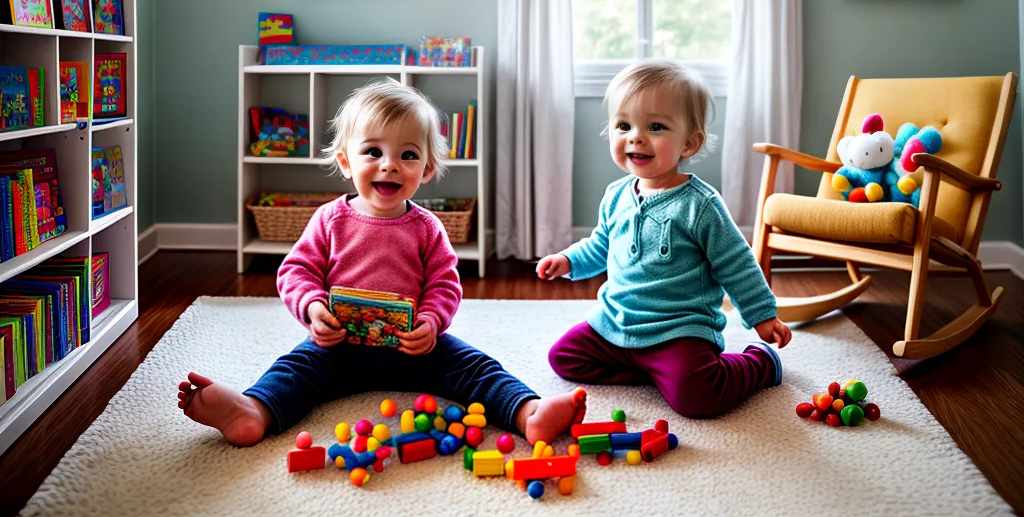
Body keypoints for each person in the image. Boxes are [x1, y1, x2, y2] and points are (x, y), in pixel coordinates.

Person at [178, 78, 586, 445]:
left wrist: (430, 323)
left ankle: (527, 413)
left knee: (475, 367)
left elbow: (444, 284)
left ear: (426, 169)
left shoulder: (427, 227)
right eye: (373, 151)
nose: (389, 164)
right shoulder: (330, 219)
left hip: (415, 348)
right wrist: (314, 309)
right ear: (345, 162)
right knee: (295, 370)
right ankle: (253, 411)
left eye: (407, 155)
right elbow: (296, 272)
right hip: (338, 346)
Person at [538, 59, 791, 418]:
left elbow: (736, 263)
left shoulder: (700, 205)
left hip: (679, 330)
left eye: (655, 126)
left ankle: (758, 364)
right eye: (623, 125)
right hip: (618, 322)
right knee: (564, 357)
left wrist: (762, 315)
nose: (636, 137)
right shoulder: (616, 194)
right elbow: (600, 244)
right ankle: (654, 373)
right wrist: (567, 261)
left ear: (689, 143)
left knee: (698, 397)